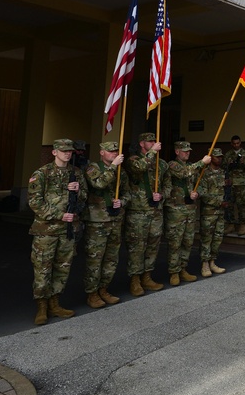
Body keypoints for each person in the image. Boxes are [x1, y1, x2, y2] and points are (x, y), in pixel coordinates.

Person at [28, 138, 88, 325]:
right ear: (54, 152)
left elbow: (85, 198)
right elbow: (35, 201)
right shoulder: (42, 173)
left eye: (70, 151)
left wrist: (78, 191)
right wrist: (58, 215)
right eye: (63, 151)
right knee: (43, 269)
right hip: (46, 230)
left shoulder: (76, 173)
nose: (67, 154)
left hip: (68, 230)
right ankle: (42, 307)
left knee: (63, 268)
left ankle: (55, 303)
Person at [124, 132, 169, 296]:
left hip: (155, 211)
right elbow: (139, 168)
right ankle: (135, 280)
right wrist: (152, 153)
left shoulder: (161, 164)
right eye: (150, 142)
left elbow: (168, 185)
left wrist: (162, 194)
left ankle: (147, 276)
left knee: (152, 246)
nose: (153, 143)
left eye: (154, 141)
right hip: (138, 211)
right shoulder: (133, 160)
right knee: (137, 247)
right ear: (142, 144)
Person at [83, 141, 126, 308]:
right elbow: (99, 183)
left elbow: (128, 192)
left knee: (111, 258)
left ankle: (104, 289)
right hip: (97, 221)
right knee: (95, 259)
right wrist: (113, 167)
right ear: (102, 153)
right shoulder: (93, 168)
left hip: (115, 219)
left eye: (116, 151)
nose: (114, 154)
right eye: (110, 151)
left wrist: (122, 201)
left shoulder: (120, 171)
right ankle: (91, 293)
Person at [166, 141, 211, 286]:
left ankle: (183, 269)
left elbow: (199, 183)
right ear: (177, 151)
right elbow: (184, 173)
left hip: (190, 208)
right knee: (175, 242)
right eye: (184, 150)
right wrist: (201, 162)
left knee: (188, 241)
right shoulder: (172, 165)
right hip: (176, 209)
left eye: (188, 151)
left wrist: (196, 193)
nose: (187, 153)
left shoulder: (192, 166)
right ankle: (173, 271)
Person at [198, 148, 228, 278]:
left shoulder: (222, 172)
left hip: (220, 212)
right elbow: (202, 194)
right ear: (211, 158)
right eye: (217, 157)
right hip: (209, 212)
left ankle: (212, 262)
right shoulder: (204, 173)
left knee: (218, 237)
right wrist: (218, 202)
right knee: (206, 238)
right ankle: (204, 264)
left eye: (221, 157)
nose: (219, 159)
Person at [223, 135, 245, 235]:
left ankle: (242, 224)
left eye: (238, 143)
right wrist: (229, 164)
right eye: (234, 143)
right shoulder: (228, 154)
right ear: (232, 144)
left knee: (242, 204)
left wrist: (243, 163)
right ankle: (231, 224)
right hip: (230, 182)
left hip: (241, 182)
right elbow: (223, 167)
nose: (236, 145)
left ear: (240, 143)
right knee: (230, 204)